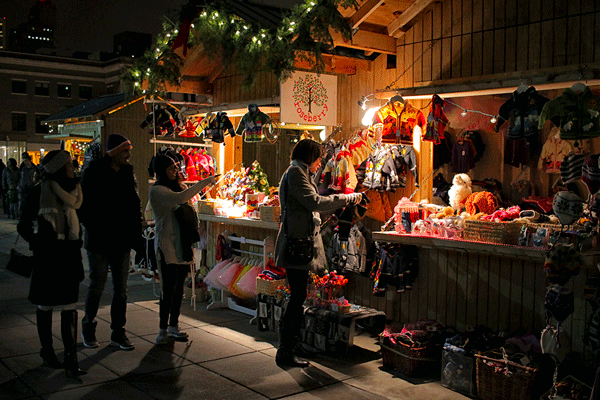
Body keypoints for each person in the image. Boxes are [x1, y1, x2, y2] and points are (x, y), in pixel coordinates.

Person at [274, 139, 362, 368]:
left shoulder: (300, 173)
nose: (320, 162)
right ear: (309, 156)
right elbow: (313, 201)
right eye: (318, 158)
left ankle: (290, 345)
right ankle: (286, 350)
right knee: (297, 297)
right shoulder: (295, 174)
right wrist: (347, 197)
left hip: (299, 243)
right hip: (296, 246)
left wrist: (323, 219)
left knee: (298, 296)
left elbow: (304, 209)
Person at [17, 150, 86, 377]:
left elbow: (81, 221)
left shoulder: (75, 192)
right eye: (68, 164)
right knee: (45, 305)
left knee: (69, 306)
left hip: (68, 257)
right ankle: (47, 351)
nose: (73, 167)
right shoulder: (39, 191)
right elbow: (23, 226)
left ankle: (70, 358)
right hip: (47, 258)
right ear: (57, 168)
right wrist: (41, 242)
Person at [78, 134, 143, 351]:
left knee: (121, 289)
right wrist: (95, 226)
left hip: (121, 240)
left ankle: (118, 332)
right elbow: (83, 207)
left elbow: (134, 203)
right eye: (125, 151)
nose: (129, 155)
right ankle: (88, 327)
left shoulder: (127, 172)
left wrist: (136, 233)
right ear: (114, 152)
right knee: (97, 285)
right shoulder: (94, 172)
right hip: (98, 238)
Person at [149, 153, 216, 344]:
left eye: (176, 168)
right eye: (171, 169)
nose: (175, 171)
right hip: (167, 244)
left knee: (179, 287)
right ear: (162, 171)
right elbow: (180, 199)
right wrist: (205, 182)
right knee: (168, 288)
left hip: (183, 243)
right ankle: (162, 329)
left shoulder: (180, 187)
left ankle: (173, 325)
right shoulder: (157, 191)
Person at [18, 152, 40, 217]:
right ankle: (22, 215)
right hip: (23, 187)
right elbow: (20, 177)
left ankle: (31, 215)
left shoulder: (35, 169)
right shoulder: (23, 169)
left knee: (31, 203)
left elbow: (37, 177)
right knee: (23, 202)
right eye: (24, 161)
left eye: (26, 161)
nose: (25, 162)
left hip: (31, 187)